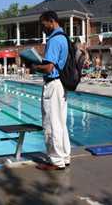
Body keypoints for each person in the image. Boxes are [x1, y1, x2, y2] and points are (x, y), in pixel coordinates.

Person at [33, 10, 70, 170]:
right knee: (61, 123)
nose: (43, 28)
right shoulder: (65, 38)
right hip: (62, 84)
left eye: (43, 24)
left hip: (53, 84)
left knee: (51, 123)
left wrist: (34, 66)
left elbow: (48, 68)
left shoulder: (54, 40)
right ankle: (64, 156)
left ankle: (55, 161)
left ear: (51, 21)